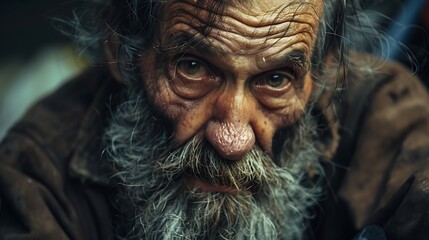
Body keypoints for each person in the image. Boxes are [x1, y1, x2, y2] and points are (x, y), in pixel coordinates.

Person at [1, 0, 429, 239]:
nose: (232, 138)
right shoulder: (37, 175)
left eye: (276, 79)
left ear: (323, 72)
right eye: (193, 68)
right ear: (122, 51)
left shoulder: (382, 108)